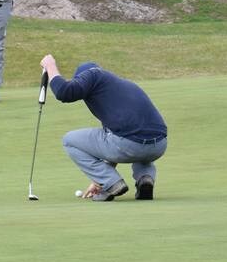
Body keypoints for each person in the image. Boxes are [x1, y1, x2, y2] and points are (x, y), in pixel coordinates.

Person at [41, 54, 167, 201]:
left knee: (69, 140)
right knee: (140, 137)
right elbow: (116, 138)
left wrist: (50, 66)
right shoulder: (121, 87)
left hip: (130, 144)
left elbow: (64, 92)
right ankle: (145, 178)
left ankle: (112, 183)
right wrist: (98, 180)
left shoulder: (93, 75)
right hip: (158, 146)